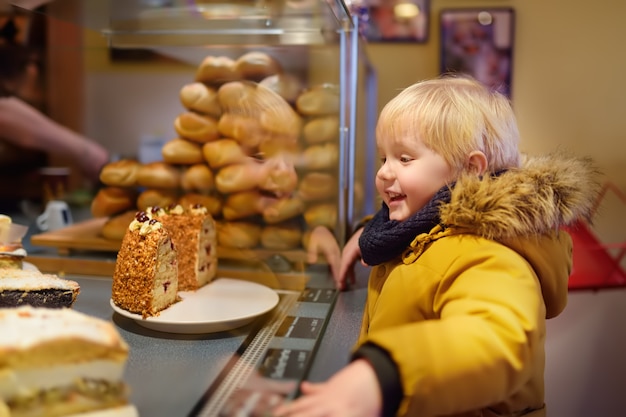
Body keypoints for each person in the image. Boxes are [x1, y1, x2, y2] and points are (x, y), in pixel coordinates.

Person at [273, 74, 601, 417]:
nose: (384, 172)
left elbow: (494, 340)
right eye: (384, 158)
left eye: (404, 158)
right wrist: (366, 232)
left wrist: (386, 375)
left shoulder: (487, 253)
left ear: (471, 170)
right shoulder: (425, 228)